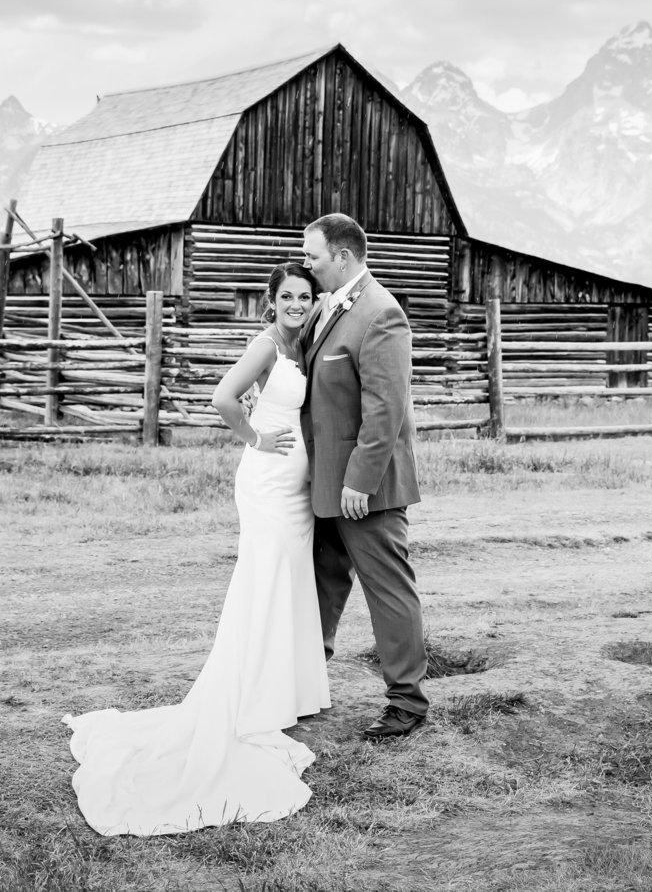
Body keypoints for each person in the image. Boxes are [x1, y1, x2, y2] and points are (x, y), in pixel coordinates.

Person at [62, 263, 330, 836]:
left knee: (285, 585)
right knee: (262, 584)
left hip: (296, 490)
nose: (296, 304)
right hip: (267, 482)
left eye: (305, 296)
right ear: (272, 299)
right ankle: (247, 700)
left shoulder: (302, 342)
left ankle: (276, 696)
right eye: (287, 296)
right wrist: (256, 438)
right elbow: (222, 398)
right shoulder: (266, 345)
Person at [299, 213, 430, 740]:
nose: (306, 264)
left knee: (388, 590)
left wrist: (360, 481)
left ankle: (407, 702)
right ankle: (305, 682)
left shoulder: (381, 313)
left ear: (343, 257)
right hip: (324, 483)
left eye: (313, 256)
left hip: (364, 490)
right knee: (322, 586)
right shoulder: (327, 306)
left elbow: (385, 408)